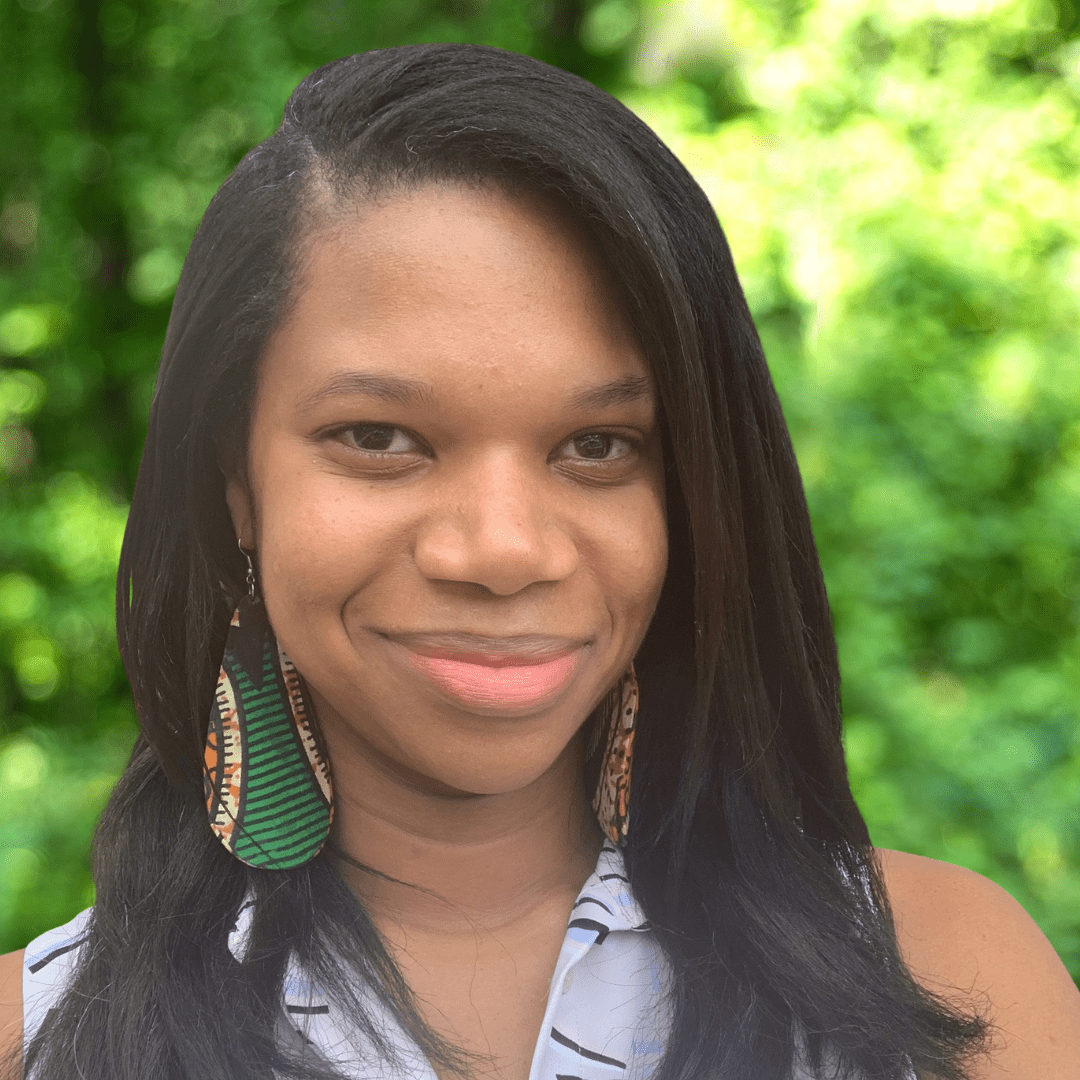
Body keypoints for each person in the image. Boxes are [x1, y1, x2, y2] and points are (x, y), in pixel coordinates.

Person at [1, 43, 1078, 1080]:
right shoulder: (35, 1041)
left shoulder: (950, 981)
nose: (504, 550)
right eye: (380, 438)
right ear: (234, 484)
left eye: (597, 447)